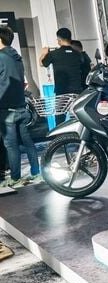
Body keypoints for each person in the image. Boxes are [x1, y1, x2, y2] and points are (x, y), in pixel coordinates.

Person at [0, 26, 41, 188]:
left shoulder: (1, 57)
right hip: (22, 107)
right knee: (28, 142)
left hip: (7, 109)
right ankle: (36, 173)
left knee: (11, 146)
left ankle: (15, 178)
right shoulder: (16, 56)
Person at [39, 28, 87, 125]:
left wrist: (44, 53)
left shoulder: (54, 54)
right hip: (77, 91)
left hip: (62, 92)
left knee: (60, 119)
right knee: (77, 119)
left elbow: (42, 63)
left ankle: (61, 134)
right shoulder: (78, 54)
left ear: (59, 40)